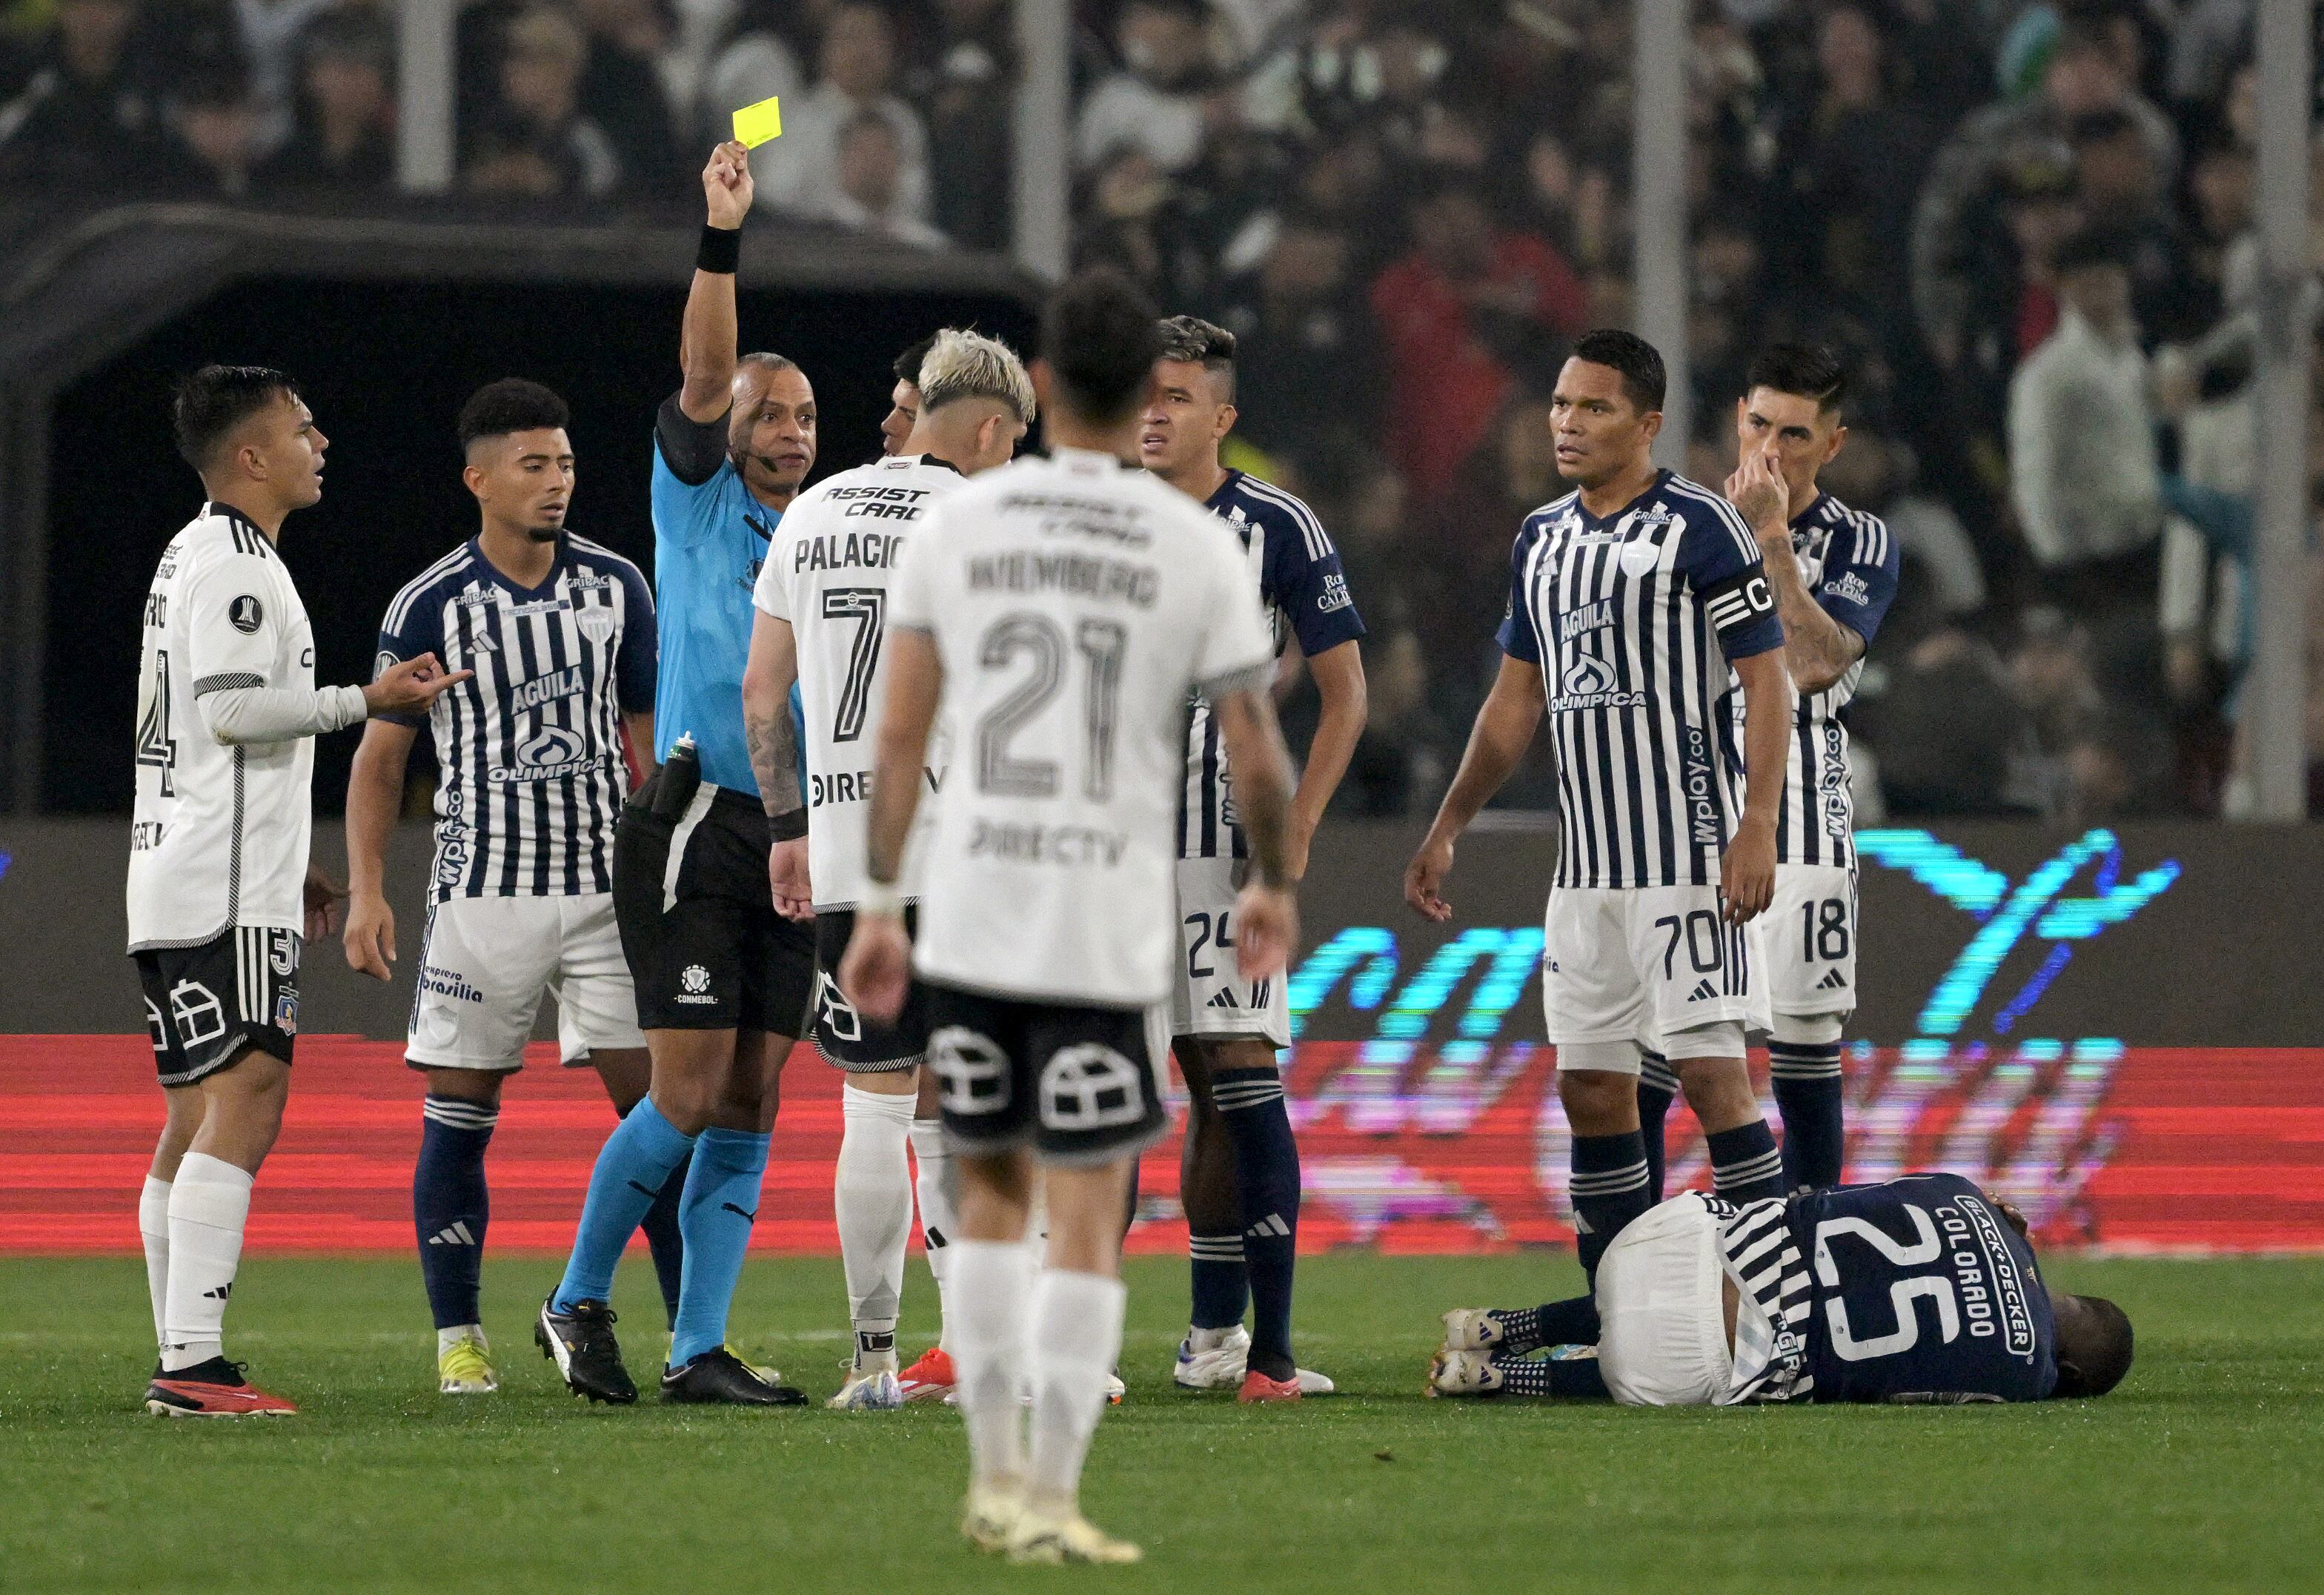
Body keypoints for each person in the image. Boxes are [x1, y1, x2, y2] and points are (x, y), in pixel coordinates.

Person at [839, 268, 1298, 1564]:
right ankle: (1050, 1492)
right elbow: (1256, 753)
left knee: (989, 1199)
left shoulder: (962, 527)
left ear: (1037, 386)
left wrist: (879, 902)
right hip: (1104, 919)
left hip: (978, 906)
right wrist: (1269, 882)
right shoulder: (1192, 543)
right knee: (1089, 1209)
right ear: (1141, 393)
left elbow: (900, 734)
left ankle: (989, 1474)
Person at [1402, 330, 1794, 1290]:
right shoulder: (1540, 538)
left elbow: (1768, 681)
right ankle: (1627, 1313)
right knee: (1589, 1090)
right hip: (1585, 877)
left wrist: (1756, 826)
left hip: (1687, 860)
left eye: (1595, 408)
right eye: (1561, 405)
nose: (1568, 424)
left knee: (1713, 1078)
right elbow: (1513, 703)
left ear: (1648, 423)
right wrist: (1450, 822)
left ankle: (1786, 1303)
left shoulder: (1701, 526)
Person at [534, 140, 819, 1408]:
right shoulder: (697, 498)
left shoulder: (825, 529)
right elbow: (706, 371)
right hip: (697, 817)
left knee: (753, 1087)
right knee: (691, 1085)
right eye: (769, 411)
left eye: (805, 414)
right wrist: (721, 238)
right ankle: (573, 1295)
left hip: (796, 832)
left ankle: (698, 1345)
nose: (788, 429)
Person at [132, 365, 469, 1416]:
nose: (319, 441)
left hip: (185, 865)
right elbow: (235, 711)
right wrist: (363, 699)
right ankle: (190, 1365)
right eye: (301, 428)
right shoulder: (237, 566)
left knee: (194, 1112)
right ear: (250, 457)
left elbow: (200, 734)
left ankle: (180, 1351)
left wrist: (294, 865)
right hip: (220, 887)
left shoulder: (190, 553)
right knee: (250, 1092)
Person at [342, 379, 666, 1397]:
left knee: (662, 1115)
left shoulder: (619, 587)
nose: (557, 482)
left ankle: (697, 1336)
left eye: (565, 463)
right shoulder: (431, 603)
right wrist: (367, 890)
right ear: (480, 479)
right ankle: (459, 1340)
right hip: (484, 895)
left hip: (609, 895)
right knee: (460, 1108)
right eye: (534, 465)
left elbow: (646, 747)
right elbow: (380, 760)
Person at [743, 328, 1033, 1410]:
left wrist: (788, 827)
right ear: (993, 428)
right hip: (959, 849)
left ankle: (874, 1359)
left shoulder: (810, 511)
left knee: (873, 1103)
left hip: (848, 848)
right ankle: (980, 1346)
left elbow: (762, 692)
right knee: (971, 1105)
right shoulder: (986, 520)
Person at [1136, 314, 1367, 1402]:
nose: (1153, 410)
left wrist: (1300, 827)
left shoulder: (1275, 523)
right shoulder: (1095, 512)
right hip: (1103, 854)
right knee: (1166, 1084)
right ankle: (1205, 1337)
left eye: (1177, 396)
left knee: (1241, 1075)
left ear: (1221, 417)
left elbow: (1345, 687)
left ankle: (1265, 1352)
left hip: (1223, 851)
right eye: (1145, 391)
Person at [1636, 345, 1900, 1198]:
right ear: (1734, 420)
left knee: (1802, 1055)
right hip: (1685, 823)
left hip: (1805, 830)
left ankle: (1809, 1274)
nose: (1771, 450)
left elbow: (1818, 663)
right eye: (1758, 425)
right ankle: (1630, 1276)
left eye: (1795, 434)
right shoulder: (1672, 526)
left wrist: (1774, 540)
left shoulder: (1862, 541)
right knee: (1654, 1052)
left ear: (1832, 445)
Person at [1428, 1172, 2135, 1407]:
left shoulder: (1975, 1200)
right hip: (1675, 1361)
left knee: (1740, 1241)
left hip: (1655, 1243)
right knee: (1723, 1364)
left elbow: (1854, 1192)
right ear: (2067, 1369)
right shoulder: (2028, 1371)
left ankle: (1499, 1321)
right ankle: (1500, 1379)